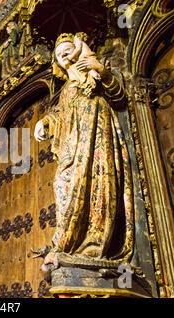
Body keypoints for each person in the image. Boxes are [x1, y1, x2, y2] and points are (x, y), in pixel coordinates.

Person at [34, 33, 133, 268]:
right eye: (60, 55)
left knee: (99, 183)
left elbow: (120, 98)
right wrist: (45, 122)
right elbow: (59, 115)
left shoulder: (93, 70)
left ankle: (94, 245)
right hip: (72, 145)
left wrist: (103, 71)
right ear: (58, 64)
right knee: (63, 184)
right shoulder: (66, 89)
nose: (65, 55)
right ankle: (69, 243)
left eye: (68, 49)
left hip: (98, 134)